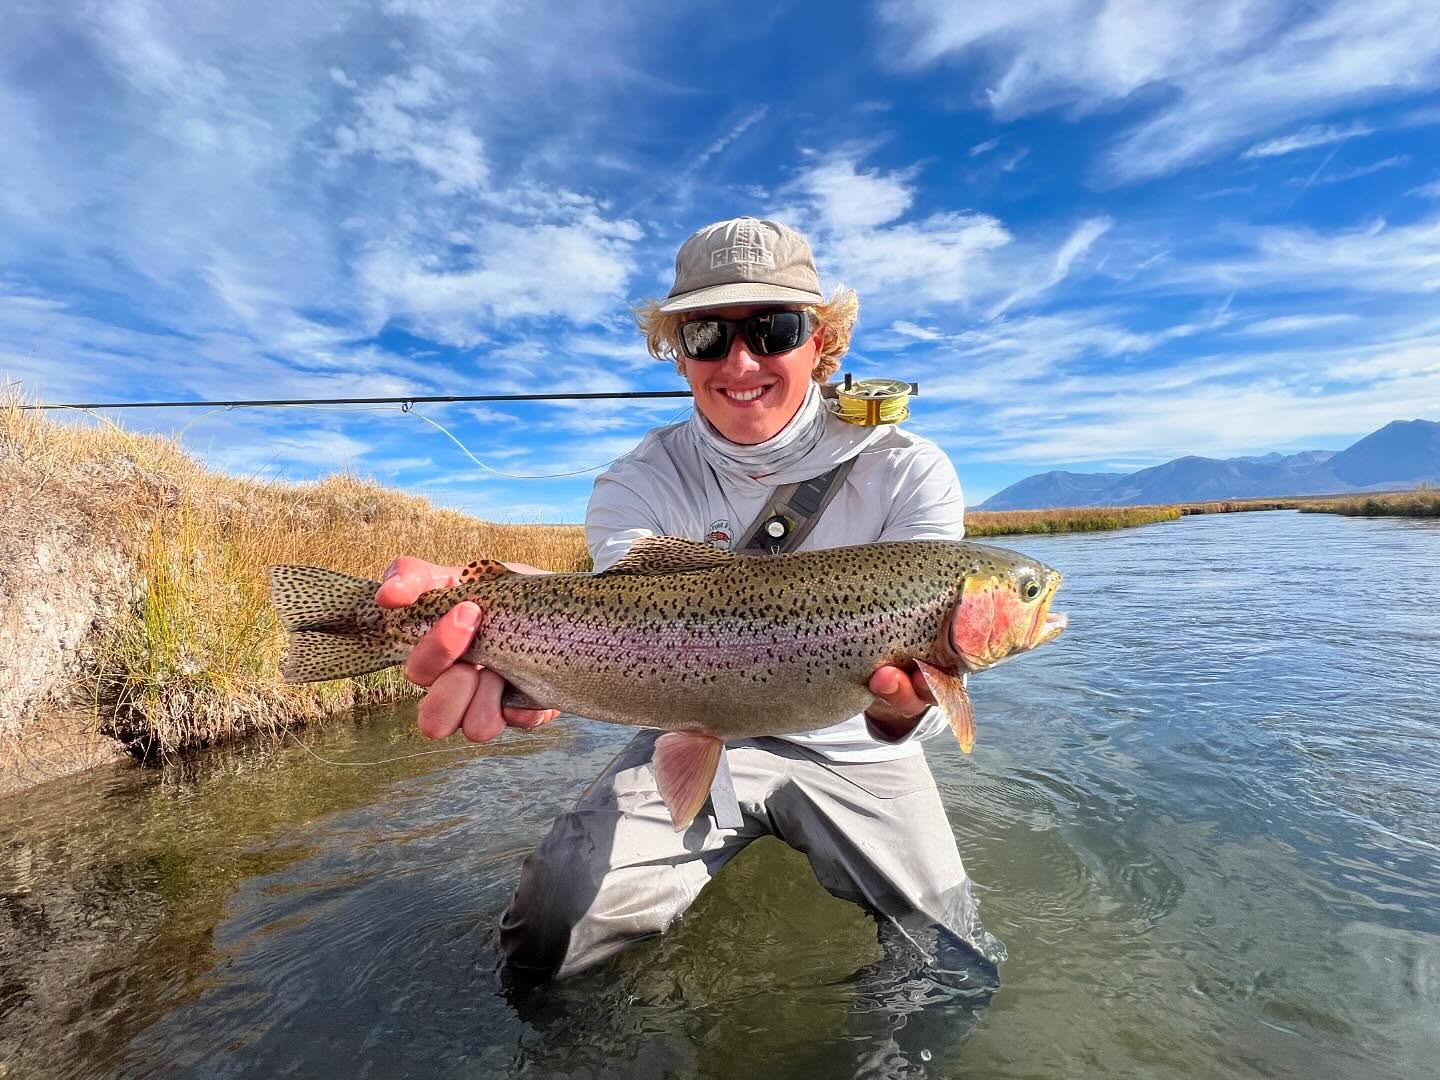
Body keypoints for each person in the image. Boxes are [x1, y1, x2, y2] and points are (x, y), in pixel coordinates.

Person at [377, 218, 1002, 1072]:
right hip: (693, 725)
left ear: (821, 340)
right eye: (708, 334)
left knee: (955, 970)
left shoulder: (907, 468)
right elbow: (618, 615)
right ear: (678, 351)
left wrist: (903, 713)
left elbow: (911, 709)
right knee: (546, 933)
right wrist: (493, 611)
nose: (740, 362)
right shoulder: (638, 481)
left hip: (862, 751)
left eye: (773, 329)